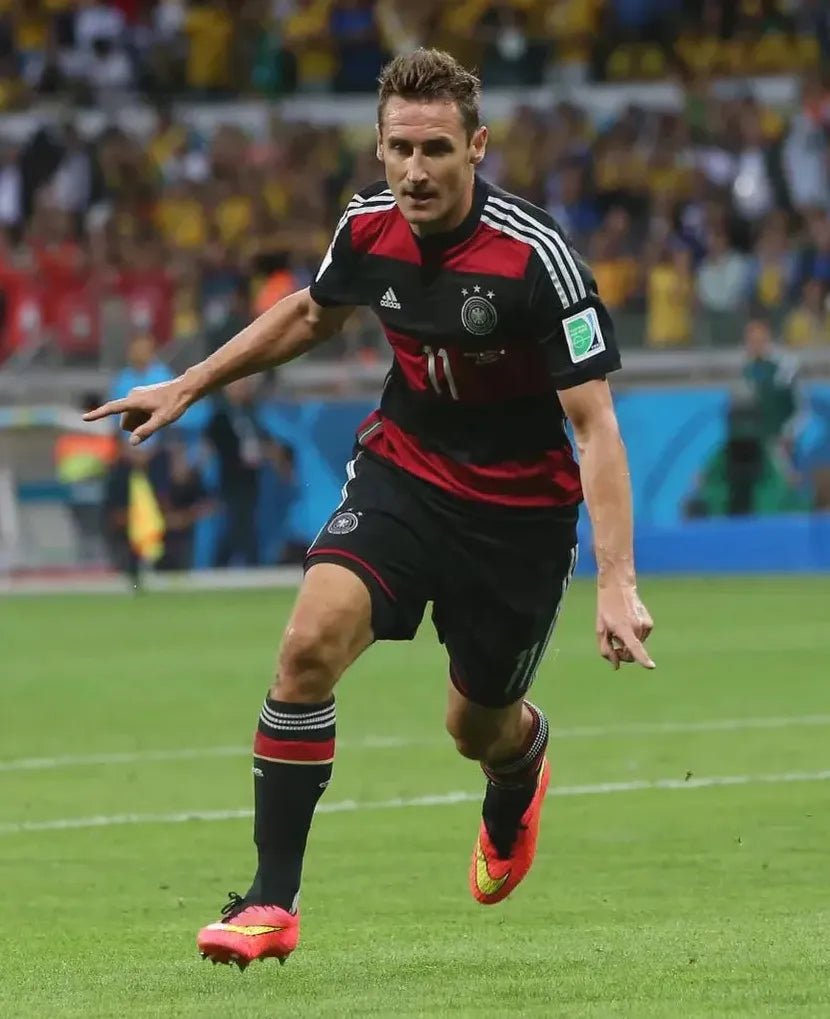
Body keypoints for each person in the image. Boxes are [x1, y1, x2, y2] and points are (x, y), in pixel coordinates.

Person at [84, 49, 654, 970]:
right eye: (399, 149)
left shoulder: (537, 258)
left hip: (515, 515)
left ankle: (520, 763)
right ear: (379, 149)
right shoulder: (366, 226)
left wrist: (617, 583)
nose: (416, 171)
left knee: (476, 726)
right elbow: (315, 313)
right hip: (406, 472)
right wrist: (188, 383)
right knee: (307, 646)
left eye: (436, 150)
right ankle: (271, 902)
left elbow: (595, 427)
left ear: (477, 146)